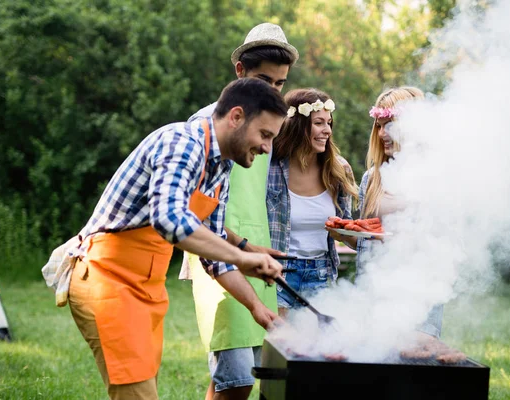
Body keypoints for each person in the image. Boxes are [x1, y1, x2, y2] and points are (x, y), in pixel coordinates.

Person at [65, 78, 288, 400]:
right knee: (137, 393)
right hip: (107, 278)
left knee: (142, 389)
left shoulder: (222, 167)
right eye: (265, 134)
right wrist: (242, 256)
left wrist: (255, 306)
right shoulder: (182, 142)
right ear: (236, 117)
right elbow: (169, 219)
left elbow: (214, 252)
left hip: (147, 287)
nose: (267, 147)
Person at [179, 23, 299, 400]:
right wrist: (239, 249)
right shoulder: (206, 126)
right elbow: (196, 216)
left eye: (280, 84)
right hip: (218, 252)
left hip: (254, 253)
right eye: (265, 79)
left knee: (251, 371)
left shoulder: (270, 128)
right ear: (240, 72)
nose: (272, 90)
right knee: (235, 378)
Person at [331, 86, 443, 338]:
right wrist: (341, 233)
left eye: (389, 124)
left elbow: (445, 246)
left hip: (419, 300)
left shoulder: (436, 176)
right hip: (372, 295)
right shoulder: (372, 178)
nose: (381, 133)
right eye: (378, 126)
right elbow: (366, 242)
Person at [268, 88, 358, 317]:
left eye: (329, 123)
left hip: (321, 275)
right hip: (279, 274)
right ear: (297, 125)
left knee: (316, 351)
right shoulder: (270, 168)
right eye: (319, 123)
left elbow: (346, 228)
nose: (327, 130)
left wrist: (359, 236)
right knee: (281, 348)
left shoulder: (338, 169)